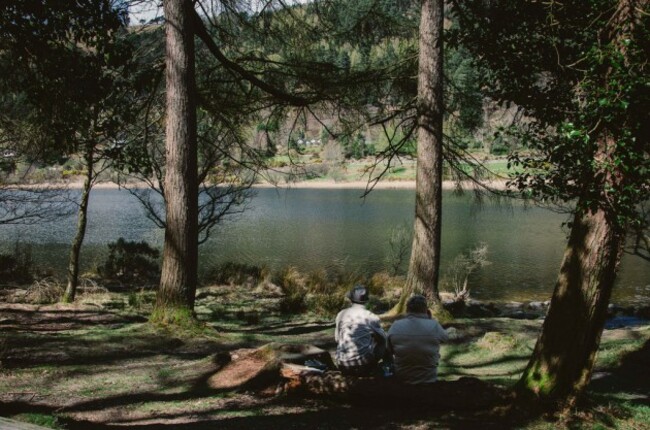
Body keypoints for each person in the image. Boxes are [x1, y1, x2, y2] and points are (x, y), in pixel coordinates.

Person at [387, 294, 449, 384]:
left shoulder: (396, 325)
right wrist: (429, 319)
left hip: (402, 377)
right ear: (426, 310)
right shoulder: (434, 325)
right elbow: (445, 338)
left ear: (407, 310)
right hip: (428, 378)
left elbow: (388, 349)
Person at [335, 285, 388, 376]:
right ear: (366, 301)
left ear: (350, 299)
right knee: (383, 341)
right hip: (363, 365)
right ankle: (386, 366)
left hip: (341, 363)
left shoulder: (341, 314)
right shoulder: (370, 316)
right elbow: (383, 339)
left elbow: (337, 339)